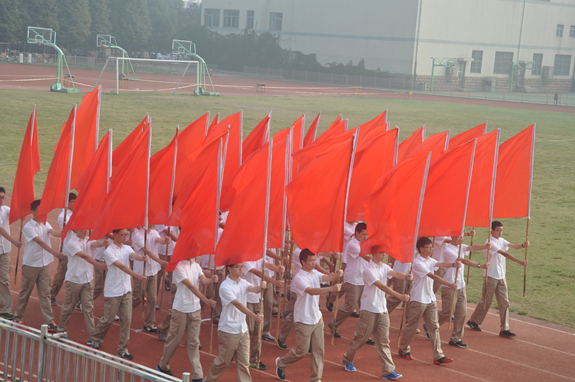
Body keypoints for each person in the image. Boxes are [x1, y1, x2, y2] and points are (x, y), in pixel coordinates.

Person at [341, 251, 411, 380]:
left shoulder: (384, 267)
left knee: (384, 341)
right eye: (381, 253)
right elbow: (382, 286)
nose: (384, 255)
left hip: (382, 309)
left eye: (384, 252)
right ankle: (347, 358)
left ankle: (388, 370)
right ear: (374, 253)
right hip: (369, 309)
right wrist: (399, 296)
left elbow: (395, 273)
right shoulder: (368, 270)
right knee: (361, 338)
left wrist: (406, 276)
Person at [275, 249, 343, 382]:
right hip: (303, 319)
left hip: (317, 318)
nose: (314, 263)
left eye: (314, 260)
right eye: (311, 260)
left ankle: (315, 379)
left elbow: (327, 277)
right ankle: (281, 363)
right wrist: (331, 289)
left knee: (318, 351)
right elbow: (311, 291)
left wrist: (336, 274)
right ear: (303, 262)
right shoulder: (299, 278)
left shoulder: (315, 273)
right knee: (302, 351)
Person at [156, 257, 218, 381]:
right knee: (175, 339)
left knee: (193, 342)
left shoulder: (196, 265)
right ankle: (163, 365)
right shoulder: (178, 267)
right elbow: (191, 286)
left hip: (195, 309)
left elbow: (203, 281)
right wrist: (206, 300)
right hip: (181, 309)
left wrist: (211, 280)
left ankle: (197, 375)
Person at [398, 237, 458, 364]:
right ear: (421, 249)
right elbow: (433, 275)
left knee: (434, 326)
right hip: (419, 299)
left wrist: (453, 264)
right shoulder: (418, 263)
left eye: (431, 247)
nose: (431, 249)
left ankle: (438, 355)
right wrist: (449, 283)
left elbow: (440, 264)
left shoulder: (430, 260)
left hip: (430, 299)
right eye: (429, 247)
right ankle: (403, 348)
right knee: (412, 326)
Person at [90, 228, 148, 359]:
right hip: (113, 290)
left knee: (126, 320)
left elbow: (134, 256)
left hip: (126, 289)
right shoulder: (109, 251)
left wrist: (142, 258)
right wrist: (137, 276)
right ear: (114, 235)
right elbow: (121, 266)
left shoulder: (127, 248)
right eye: (122, 235)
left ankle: (122, 349)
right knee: (108, 319)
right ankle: (95, 337)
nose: (124, 237)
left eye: (126, 235)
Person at [203, 263, 265, 382]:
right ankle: (208, 380)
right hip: (229, 330)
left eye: (242, 266)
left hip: (243, 330)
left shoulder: (243, 282)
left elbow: (253, 289)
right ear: (229, 269)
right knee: (224, 361)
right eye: (238, 267)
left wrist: (261, 287)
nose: (241, 269)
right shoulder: (225, 286)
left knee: (244, 364)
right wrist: (253, 316)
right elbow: (237, 304)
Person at [467, 221, 529, 337]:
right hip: (490, 276)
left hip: (501, 276)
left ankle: (504, 328)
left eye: (501, 230)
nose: (500, 232)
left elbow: (512, 246)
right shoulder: (490, 242)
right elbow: (504, 254)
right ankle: (473, 321)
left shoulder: (501, 240)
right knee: (487, 300)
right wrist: (520, 262)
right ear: (492, 231)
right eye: (498, 230)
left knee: (505, 302)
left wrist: (522, 245)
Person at [14, 200, 63, 331]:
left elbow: (53, 232)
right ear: (32, 211)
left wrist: (65, 231)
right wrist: (55, 253)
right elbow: (40, 242)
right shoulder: (29, 227)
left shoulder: (45, 223)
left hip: (44, 264)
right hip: (31, 264)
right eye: (39, 211)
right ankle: (18, 317)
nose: (42, 213)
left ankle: (49, 321)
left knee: (45, 293)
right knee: (26, 291)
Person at [435, 235, 490, 348]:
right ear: (454, 237)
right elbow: (462, 260)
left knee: (462, 312)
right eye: (460, 237)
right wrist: (480, 265)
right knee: (448, 312)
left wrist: (485, 246)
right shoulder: (448, 250)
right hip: (450, 285)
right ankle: (431, 324)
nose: (462, 239)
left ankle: (455, 338)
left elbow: (471, 248)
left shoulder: (460, 246)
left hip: (461, 285)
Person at [56, 229, 107, 342]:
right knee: (69, 307)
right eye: (83, 228)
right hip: (74, 279)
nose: (85, 231)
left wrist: (104, 243)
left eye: (86, 228)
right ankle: (61, 330)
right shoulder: (72, 243)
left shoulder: (87, 240)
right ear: (76, 229)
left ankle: (92, 336)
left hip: (87, 279)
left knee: (88, 308)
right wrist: (99, 265)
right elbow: (85, 256)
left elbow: (94, 243)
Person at [276, 245, 328, 350]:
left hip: (311, 284)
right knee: (294, 315)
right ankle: (282, 337)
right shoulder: (299, 251)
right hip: (299, 288)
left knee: (312, 313)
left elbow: (318, 258)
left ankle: (311, 344)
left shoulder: (311, 250)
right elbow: (315, 263)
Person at [242, 257, 284, 370]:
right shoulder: (245, 259)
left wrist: (278, 269)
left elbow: (266, 264)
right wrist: (275, 282)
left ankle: (254, 359)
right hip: (247, 297)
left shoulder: (258, 254)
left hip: (258, 297)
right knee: (248, 329)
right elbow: (258, 272)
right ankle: (234, 351)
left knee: (258, 329)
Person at [329, 223, 370, 339]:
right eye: (363, 234)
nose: (365, 236)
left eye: (367, 234)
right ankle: (333, 324)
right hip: (353, 279)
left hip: (363, 280)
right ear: (356, 233)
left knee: (365, 308)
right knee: (350, 306)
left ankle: (364, 333)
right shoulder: (353, 244)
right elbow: (366, 256)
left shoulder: (363, 243)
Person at [131, 226, 170, 333]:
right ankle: (125, 311)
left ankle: (149, 323)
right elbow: (147, 251)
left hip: (153, 270)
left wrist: (165, 240)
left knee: (152, 298)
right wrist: (160, 261)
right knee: (138, 297)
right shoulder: (138, 235)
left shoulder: (153, 232)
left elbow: (159, 240)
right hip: (141, 271)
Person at [0, 187, 23, 320]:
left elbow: (17, 213)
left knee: (4, 279)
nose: (1, 200)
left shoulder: (5, 209)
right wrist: (14, 241)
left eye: (3, 197)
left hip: (4, 251)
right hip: (8, 245)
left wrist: (22, 212)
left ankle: (6, 309)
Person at [50, 192, 76, 305]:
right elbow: (74, 228)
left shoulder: (76, 212)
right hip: (67, 249)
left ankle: (76, 299)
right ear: (67, 203)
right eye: (72, 202)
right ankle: (51, 294)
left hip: (78, 249)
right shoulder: (63, 216)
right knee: (61, 274)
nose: (74, 204)